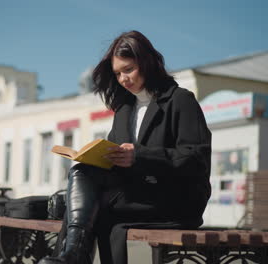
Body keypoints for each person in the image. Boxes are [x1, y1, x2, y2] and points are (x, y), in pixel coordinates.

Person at [39, 30, 212, 264]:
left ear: (147, 63)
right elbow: (115, 160)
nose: (123, 79)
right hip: (136, 195)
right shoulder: (124, 110)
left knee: (85, 206)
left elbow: (196, 159)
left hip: (175, 200)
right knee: (81, 171)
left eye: (128, 69)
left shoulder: (180, 100)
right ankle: (74, 256)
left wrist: (139, 156)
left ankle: (72, 257)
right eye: (118, 73)